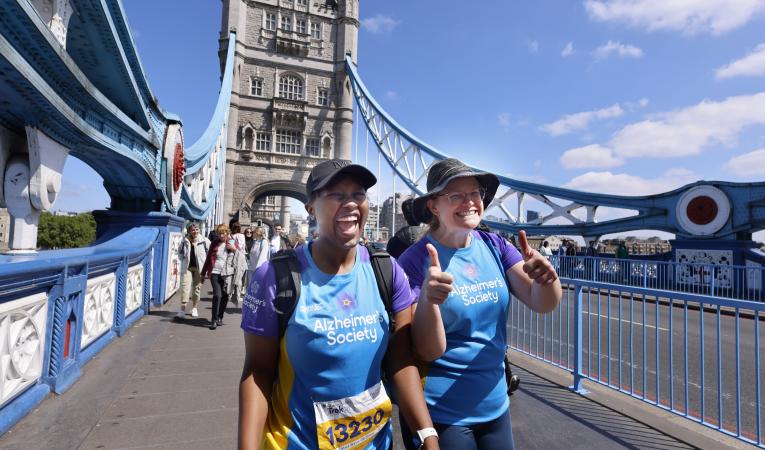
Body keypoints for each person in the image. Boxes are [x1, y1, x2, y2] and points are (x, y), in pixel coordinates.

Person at [239, 159, 440, 449]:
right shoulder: (275, 277)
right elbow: (258, 372)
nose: (350, 203)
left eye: (358, 194)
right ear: (310, 208)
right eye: (336, 195)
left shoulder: (386, 271)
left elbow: (401, 361)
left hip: (376, 443)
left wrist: (427, 434)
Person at [398, 158, 562, 450]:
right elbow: (427, 350)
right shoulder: (413, 261)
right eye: (456, 195)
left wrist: (547, 280)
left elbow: (541, 303)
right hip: (443, 412)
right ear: (434, 206)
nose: (470, 202)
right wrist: (428, 300)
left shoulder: (494, 245)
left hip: (495, 403)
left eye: (475, 193)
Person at [201, 224, 240, 330]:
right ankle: (213, 320)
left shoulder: (232, 242)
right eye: (220, 233)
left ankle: (220, 317)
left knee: (225, 296)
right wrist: (203, 273)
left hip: (227, 274)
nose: (221, 235)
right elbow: (209, 258)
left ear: (227, 233)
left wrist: (234, 249)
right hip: (215, 272)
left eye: (223, 233)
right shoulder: (214, 243)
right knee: (217, 295)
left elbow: (240, 256)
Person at [177, 223, 210, 319]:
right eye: (193, 230)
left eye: (197, 229)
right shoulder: (185, 240)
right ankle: (182, 310)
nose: (195, 231)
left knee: (196, 289)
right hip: (187, 267)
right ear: (189, 231)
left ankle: (194, 308)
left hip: (199, 269)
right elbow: (179, 252)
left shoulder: (204, 241)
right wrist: (183, 260)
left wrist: (206, 267)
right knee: (185, 287)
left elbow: (210, 254)